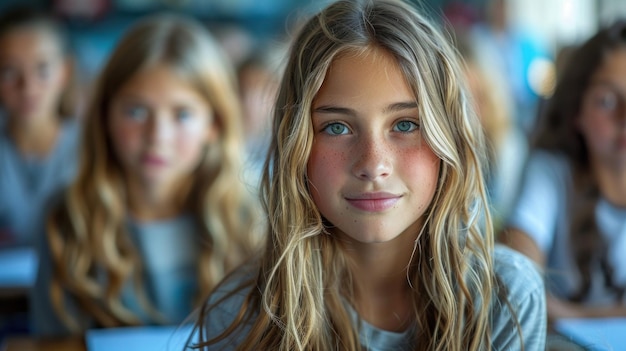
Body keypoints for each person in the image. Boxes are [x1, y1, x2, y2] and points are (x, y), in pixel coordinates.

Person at [189, 0, 546, 350]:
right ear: (295, 145)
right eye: (337, 127)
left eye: (406, 124)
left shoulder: (505, 298)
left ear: (448, 139)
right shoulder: (242, 315)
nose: (373, 164)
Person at [30, 13, 262, 336]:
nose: (157, 136)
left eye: (182, 114)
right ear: (105, 117)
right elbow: (52, 342)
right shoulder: (67, 219)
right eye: (136, 111)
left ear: (214, 124)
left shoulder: (252, 220)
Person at [502, 18, 626, 321]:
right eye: (607, 100)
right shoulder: (551, 173)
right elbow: (514, 279)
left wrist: (569, 314)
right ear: (576, 114)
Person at [0, 6, 79, 247]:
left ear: (64, 72)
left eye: (43, 70)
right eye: (10, 71)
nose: (28, 88)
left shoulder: (91, 147)